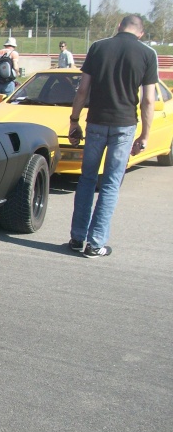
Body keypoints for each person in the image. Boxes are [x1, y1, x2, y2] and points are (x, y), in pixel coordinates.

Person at [68, 15, 157, 258]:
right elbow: (149, 99)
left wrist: (74, 121)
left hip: (96, 121)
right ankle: (95, 244)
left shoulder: (98, 47)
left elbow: (83, 90)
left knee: (87, 179)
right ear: (141, 33)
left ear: (119, 27)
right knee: (110, 184)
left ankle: (77, 238)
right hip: (124, 125)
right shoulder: (147, 54)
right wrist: (145, 135)